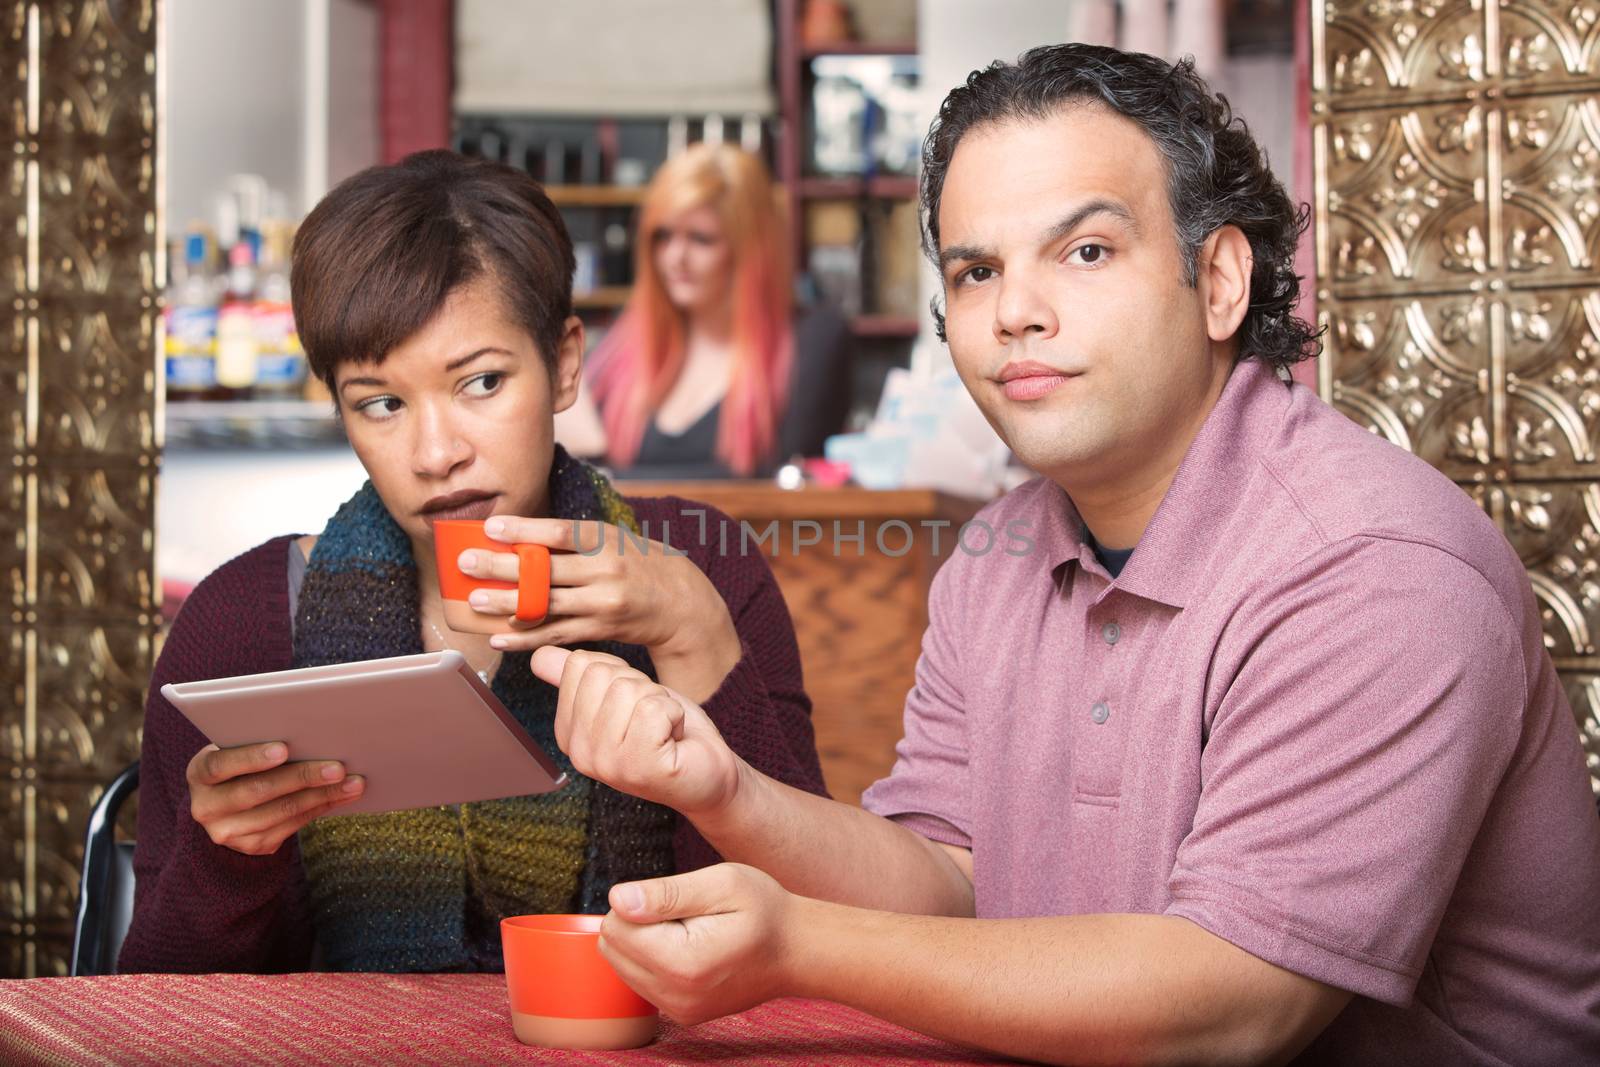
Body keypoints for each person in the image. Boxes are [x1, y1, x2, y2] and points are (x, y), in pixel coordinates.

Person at [523, 45, 1600, 1065]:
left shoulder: (1372, 566)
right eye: (977, 270)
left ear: (1220, 280)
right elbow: (947, 880)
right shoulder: (994, 552)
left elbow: (1235, 1001)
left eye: (1085, 251)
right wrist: (721, 789)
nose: (1016, 315)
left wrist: (800, 945)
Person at [118, 150, 826, 975]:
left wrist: (696, 640)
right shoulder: (245, 620)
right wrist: (226, 855)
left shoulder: (701, 567)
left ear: (564, 364)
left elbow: (815, 934)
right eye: (381, 403)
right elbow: (148, 1005)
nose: (435, 452)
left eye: (481, 383)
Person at [560, 143, 850, 478]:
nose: (675, 258)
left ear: (751, 248)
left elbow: (778, 481)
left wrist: (607, 476)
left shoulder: (813, 340)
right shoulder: (622, 346)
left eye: (701, 239)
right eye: (663, 237)